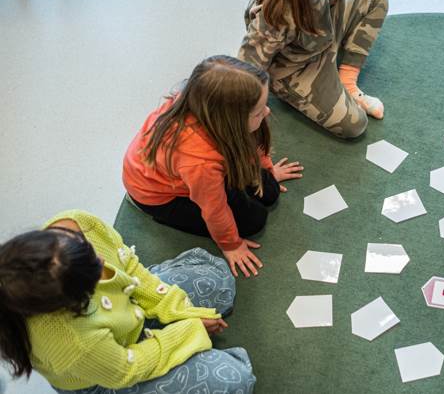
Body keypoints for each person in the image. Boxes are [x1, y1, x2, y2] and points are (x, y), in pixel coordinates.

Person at [0, 210, 256, 393]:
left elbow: (130, 267)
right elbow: (127, 368)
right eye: (93, 272)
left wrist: (176, 307)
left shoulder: (76, 224)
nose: (102, 261)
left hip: (126, 313)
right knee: (233, 378)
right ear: (72, 302)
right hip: (108, 371)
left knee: (216, 281)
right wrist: (188, 331)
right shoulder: (74, 344)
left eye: (89, 250)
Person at [123, 55, 303, 278]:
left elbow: (252, 141)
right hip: (158, 195)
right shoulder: (200, 162)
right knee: (254, 221)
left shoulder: (208, 105)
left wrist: (268, 170)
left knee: (270, 190)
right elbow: (214, 209)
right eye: (258, 112)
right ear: (232, 121)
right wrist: (231, 245)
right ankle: (143, 206)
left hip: (192, 169)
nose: (267, 112)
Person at [239, 0, 389, 138]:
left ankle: (347, 81)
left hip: (325, 34)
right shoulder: (275, 15)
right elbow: (245, 71)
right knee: (355, 124)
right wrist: (246, 114)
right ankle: (314, 86)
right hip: (299, 67)